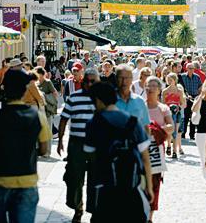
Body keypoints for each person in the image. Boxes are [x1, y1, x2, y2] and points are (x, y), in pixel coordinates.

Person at [83, 82, 153, 223]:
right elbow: (146, 158)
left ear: (98, 100)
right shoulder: (133, 122)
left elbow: (91, 157)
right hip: (132, 190)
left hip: (105, 190)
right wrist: (149, 188)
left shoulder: (94, 123)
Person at [0, 69, 50, 223]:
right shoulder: (37, 116)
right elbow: (44, 149)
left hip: (0, 181)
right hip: (27, 181)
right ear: (25, 90)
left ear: (5, 88)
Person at [57, 68, 99, 222]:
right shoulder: (74, 97)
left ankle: (95, 211)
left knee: (96, 180)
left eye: (93, 81)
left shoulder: (102, 99)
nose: (89, 84)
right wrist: (60, 140)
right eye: (87, 81)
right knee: (75, 179)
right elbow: (63, 119)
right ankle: (78, 208)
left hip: (97, 145)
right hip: (77, 144)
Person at [145, 77, 174, 222]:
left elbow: (171, 127)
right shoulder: (140, 106)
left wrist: (155, 129)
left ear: (159, 90)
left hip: (156, 151)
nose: (150, 89)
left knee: (155, 182)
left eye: (153, 86)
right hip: (140, 149)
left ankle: (150, 216)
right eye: (148, 86)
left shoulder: (163, 108)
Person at [115, 64, 151, 132]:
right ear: (116, 78)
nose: (124, 81)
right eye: (121, 77)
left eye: (127, 78)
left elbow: (146, 127)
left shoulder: (140, 101)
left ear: (131, 79)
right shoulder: (108, 100)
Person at [35, 66, 59, 157]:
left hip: (47, 110)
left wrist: (44, 96)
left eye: (38, 74)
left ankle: (47, 152)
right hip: (38, 110)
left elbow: (55, 94)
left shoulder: (48, 82)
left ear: (42, 74)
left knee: (48, 131)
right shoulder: (35, 83)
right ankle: (39, 150)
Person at [162, 73, 187, 158]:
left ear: (175, 80)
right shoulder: (165, 91)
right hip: (168, 113)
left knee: (175, 132)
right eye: (168, 80)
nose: (169, 81)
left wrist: (178, 107)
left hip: (177, 113)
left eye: (171, 80)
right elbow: (163, 103)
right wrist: (168, 107)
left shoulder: (179, 91)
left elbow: (183, 104)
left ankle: (175, 151)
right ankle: (168, 145)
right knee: (169, 131)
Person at [180, 63, 203, 140]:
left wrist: (198, 96)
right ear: (186, 68)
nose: (191, 70)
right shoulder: (182, 77)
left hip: (194, 98)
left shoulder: (197, 77)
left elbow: (200, 87)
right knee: (186, 117)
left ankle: (192, 135)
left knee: (193, 116)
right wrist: (185, 95)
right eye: (190, 68)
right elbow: (180, 88)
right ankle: (183, 133)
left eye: (193, 68)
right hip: (186, 98)